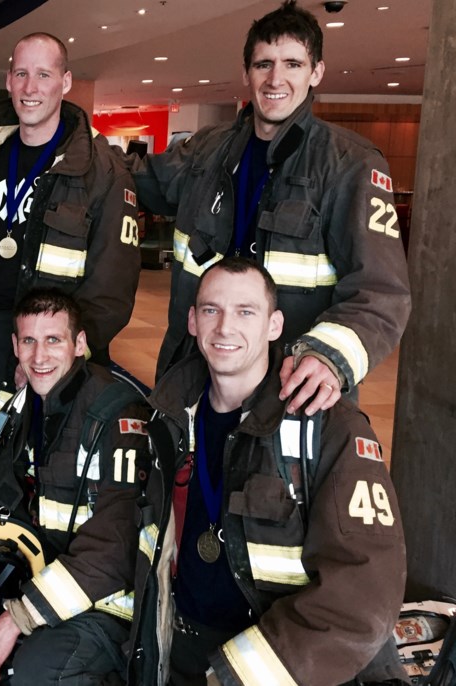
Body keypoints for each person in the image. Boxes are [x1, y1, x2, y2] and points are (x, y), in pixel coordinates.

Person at [0, 32, 141, 610]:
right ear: (8, 80)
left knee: (20, 487)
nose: (30, 88)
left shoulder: (104, 171)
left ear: (65, 83)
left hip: (44, 360)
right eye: (20, 75)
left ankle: (5, 609)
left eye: (45, 76)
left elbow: (111, 292)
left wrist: (50, 362)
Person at [127, 257, 406, 685]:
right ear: (192, 321)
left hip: (279, 667)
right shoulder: (166, 416)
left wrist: (239, 675)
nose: (224, 328)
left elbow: (362, 595)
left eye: (245, 312)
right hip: (183, 650)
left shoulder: (330, 428)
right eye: (211, 310)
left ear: (275, 325)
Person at [133, 0, 410, 417]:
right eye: (263, 64)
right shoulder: (209, 149)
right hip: (194, 374)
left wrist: (329, 357)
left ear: (316, 72)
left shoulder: (350, 164)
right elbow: (138, 178)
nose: (275, 78)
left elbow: (381, 291)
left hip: (289, 390)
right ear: (247, 73)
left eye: (293, 64)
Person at [0, 288, 149, 685]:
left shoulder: (116, 415)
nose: (39, 356)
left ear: (79, 343)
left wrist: (18, 617)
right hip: (45, 585)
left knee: (35, 671)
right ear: (15, 346)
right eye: (29, 341)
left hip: (109, 606)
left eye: (53, 340)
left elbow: (114, 551)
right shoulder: (25, 404)